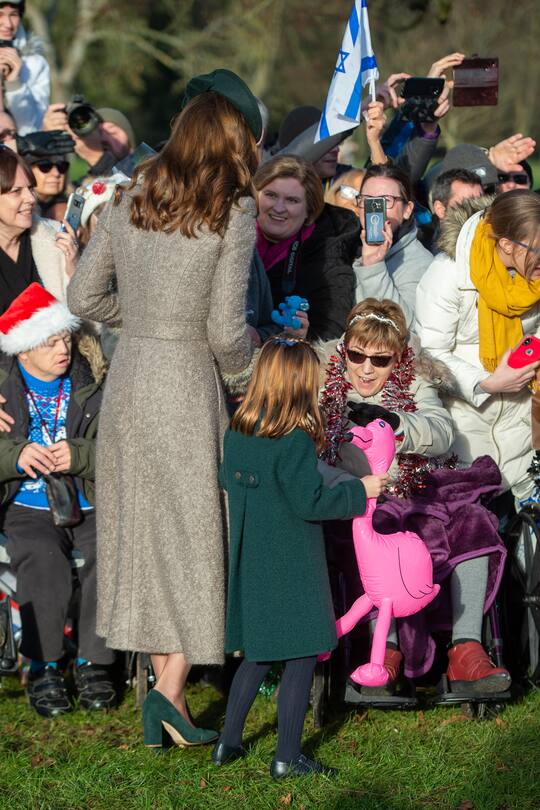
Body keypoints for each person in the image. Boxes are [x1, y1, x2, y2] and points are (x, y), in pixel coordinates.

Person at [67, 69, 262, 749]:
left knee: (143, 533)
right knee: (195, 534)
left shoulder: (128, 196)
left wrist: (146, 321)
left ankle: (165, 696)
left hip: (130, 379)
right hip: (186, 381)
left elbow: (83, 298)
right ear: (231, 140)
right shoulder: (234, 209)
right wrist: (251, 377)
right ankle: (168, 694)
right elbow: (226, 332)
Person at [318, 299, 510, 693]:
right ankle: (384, 650)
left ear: (397, 358)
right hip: (355, 499)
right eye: (357, 355)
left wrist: (396, 423)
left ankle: (466, 649)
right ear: (344, 350)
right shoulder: (320, 381)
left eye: (380, 360)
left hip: (416, 489)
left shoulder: (415, 379)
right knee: (373, 531)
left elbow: (441, 430)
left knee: (473, 522)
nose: (366, 369)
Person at [212, 337, 383, 777]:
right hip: (292, 565)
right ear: (297, 384)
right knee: (303, 653)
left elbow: (232, 481)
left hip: (254, 561)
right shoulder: (293, 441)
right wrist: (358, 490)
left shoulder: (238, 432)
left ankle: (228, 743)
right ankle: (288, 756)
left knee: (258, 654)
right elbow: (311, 503)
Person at [0, 283, 115, 717]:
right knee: (43, 559)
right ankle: (44, 665)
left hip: (87, 499)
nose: (63, 349)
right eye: (50, 343)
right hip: (27, 504)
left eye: (65, 339)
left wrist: (80, 455)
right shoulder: (5, 386)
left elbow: (121, 447)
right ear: (24, 349)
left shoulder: (91, 384)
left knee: (106, 552)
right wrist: (16, 456)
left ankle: (94, 662)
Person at [415, 190, 540, 504]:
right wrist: (485, 384)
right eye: (537, 249)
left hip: (523, 425)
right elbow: (430, 352)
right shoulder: (450, 272)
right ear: (506, 244)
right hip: (466, 429)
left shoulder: (534, 272)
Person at [254, 154, 359, 341]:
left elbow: (331, 331)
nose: (279, 208)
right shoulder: (232, 234)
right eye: (271, 195)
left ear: (309, 210)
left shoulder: (328, 253)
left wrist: (304, 336)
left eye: (292, 200)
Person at [353, 164, 433, 328]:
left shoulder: (420, 263)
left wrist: (373, 266)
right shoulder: (345, 247)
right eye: (367, 200)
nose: (375, 210)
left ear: (407, 210)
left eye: (385, 201)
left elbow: (405, 329)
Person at [0, 147, 77, 315]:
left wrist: (75, 270)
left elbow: (89, 316)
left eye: (30, 188)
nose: (30, 198)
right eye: (16, 191)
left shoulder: (55, 238)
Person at [43, 103, 135, 180]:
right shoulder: (84, 186)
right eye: (99, 133)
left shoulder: (141, 169)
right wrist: (48, 142)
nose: (103, 139)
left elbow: (128, 186)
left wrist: (95, 158)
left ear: (129, 138)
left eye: (111, 132)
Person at [0, 0, 49, 135]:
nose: (8, 24)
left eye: (14, 15)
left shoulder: (35, 65)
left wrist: (14, 83)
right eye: (0, 15)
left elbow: (32, 130)